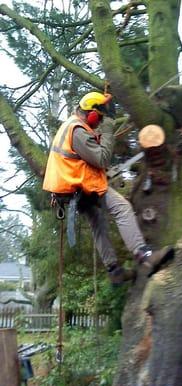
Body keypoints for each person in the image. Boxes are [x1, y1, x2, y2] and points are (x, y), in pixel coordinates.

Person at [43, 91, 174, 285]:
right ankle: (144, 255)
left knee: (99, 226)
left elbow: (87, 154)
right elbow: (101, 158)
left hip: (69, 189)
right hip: (80, 186)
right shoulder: (77, 130)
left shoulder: (72, 125)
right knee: (122, 208)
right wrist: (107, 131)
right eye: (100, 117)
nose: (100, 121)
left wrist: (102, 130)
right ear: (92, 114)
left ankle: (114, 271)